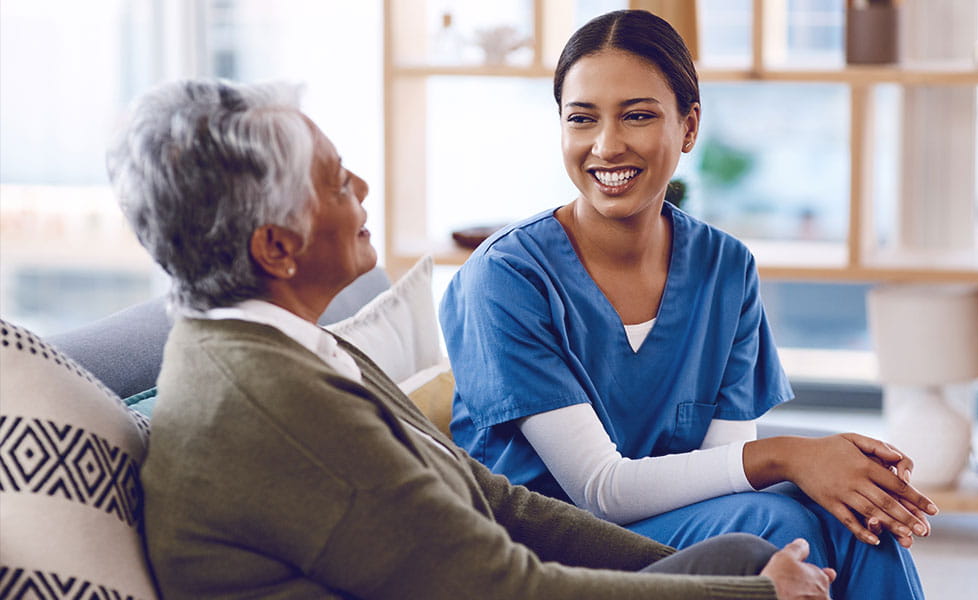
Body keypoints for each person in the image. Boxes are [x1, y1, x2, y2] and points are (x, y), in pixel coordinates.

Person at [108, 77, 836, 599]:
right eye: (334, 183)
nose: (362, 186)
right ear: (276, 249)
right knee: (754, 569)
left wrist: (717, 572)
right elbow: (496, 586)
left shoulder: (293, 347)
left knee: (742, 553)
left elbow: (498, 501)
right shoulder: (272, 405)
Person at [439, 9, 937, 600]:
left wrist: (838, 477)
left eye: (638, 115)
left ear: (689, 126)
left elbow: (725, 471)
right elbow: (600, 488)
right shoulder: (506, 277)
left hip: (669, 527)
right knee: (778, 524)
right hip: (548, 550)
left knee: (859, 520)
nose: (606, 145)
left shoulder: (724, 269)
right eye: (582, 119)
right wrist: (791, 457)